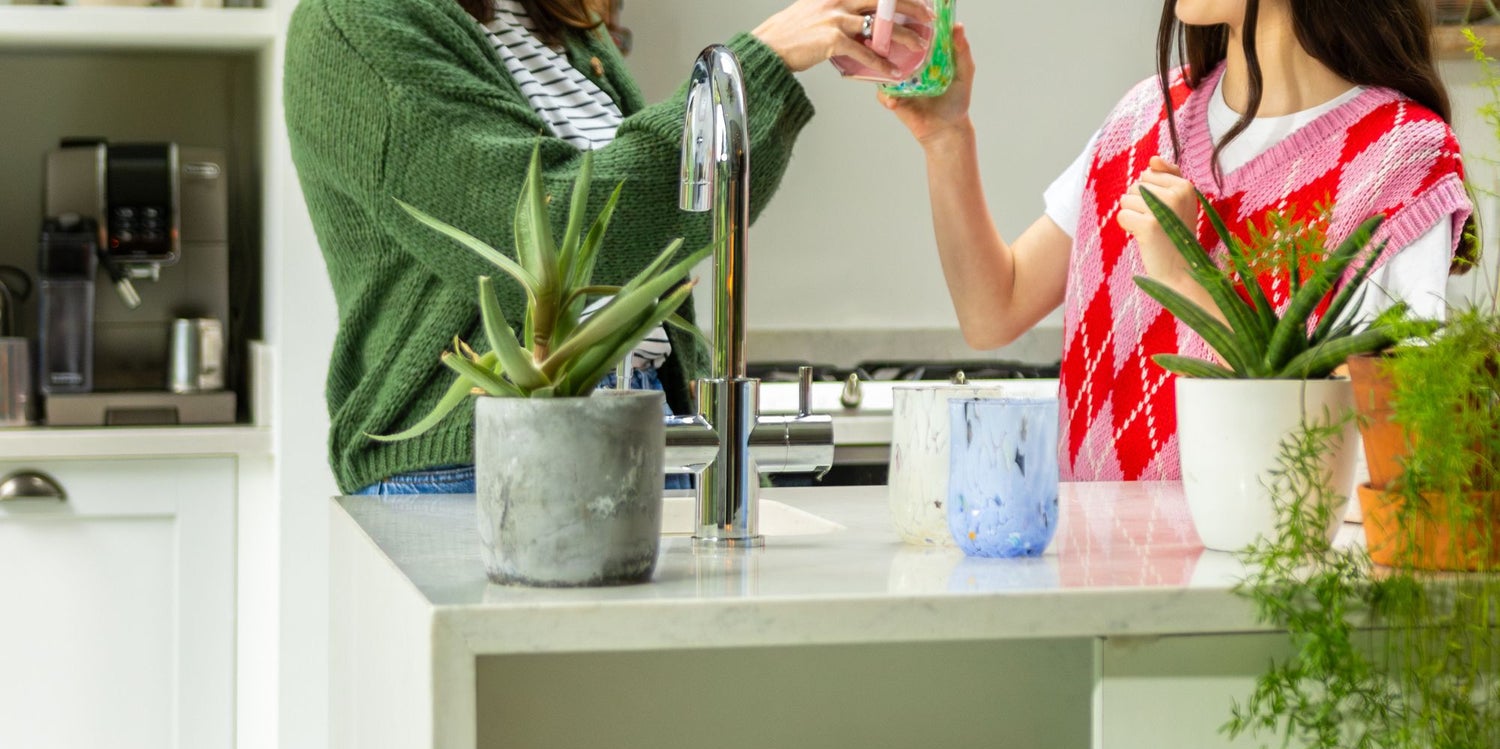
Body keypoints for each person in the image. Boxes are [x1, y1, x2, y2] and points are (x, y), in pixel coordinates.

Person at [285, 0, 920, 496]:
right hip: (472, 469)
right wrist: (759, 64)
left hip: (644, 438)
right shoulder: (354, 23)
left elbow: (685, 214)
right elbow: (558, 237)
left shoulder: (560, 26)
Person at [883, 0, 1473, 483]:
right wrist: (946, 136)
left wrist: (1186, 277)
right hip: (1090, 587)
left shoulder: (1399, 158)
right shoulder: (1143, 117)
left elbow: (1388, 442)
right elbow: (994, 309)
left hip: (1259, 600)